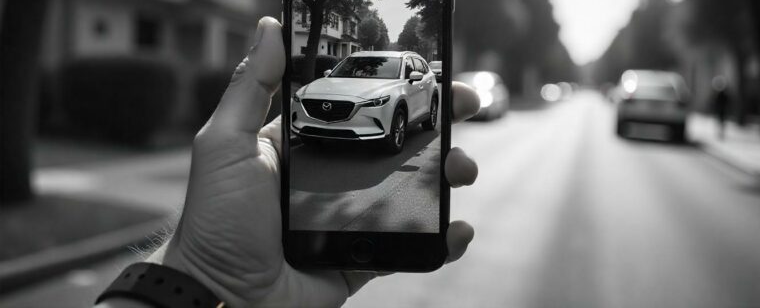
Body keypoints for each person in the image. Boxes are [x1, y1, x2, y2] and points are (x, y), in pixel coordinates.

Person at [95, 17, 481, 308]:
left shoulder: (411, 76)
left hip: (379, 105)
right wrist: (199, 271)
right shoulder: (327, 82)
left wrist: (188, 277)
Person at [712, 75, 730, 140]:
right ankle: (720, 133)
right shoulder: (721, 93)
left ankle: (721, 133)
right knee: (720, 122)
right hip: (721, 110)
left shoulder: (722, 94)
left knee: (721, 122)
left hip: (722, 110)